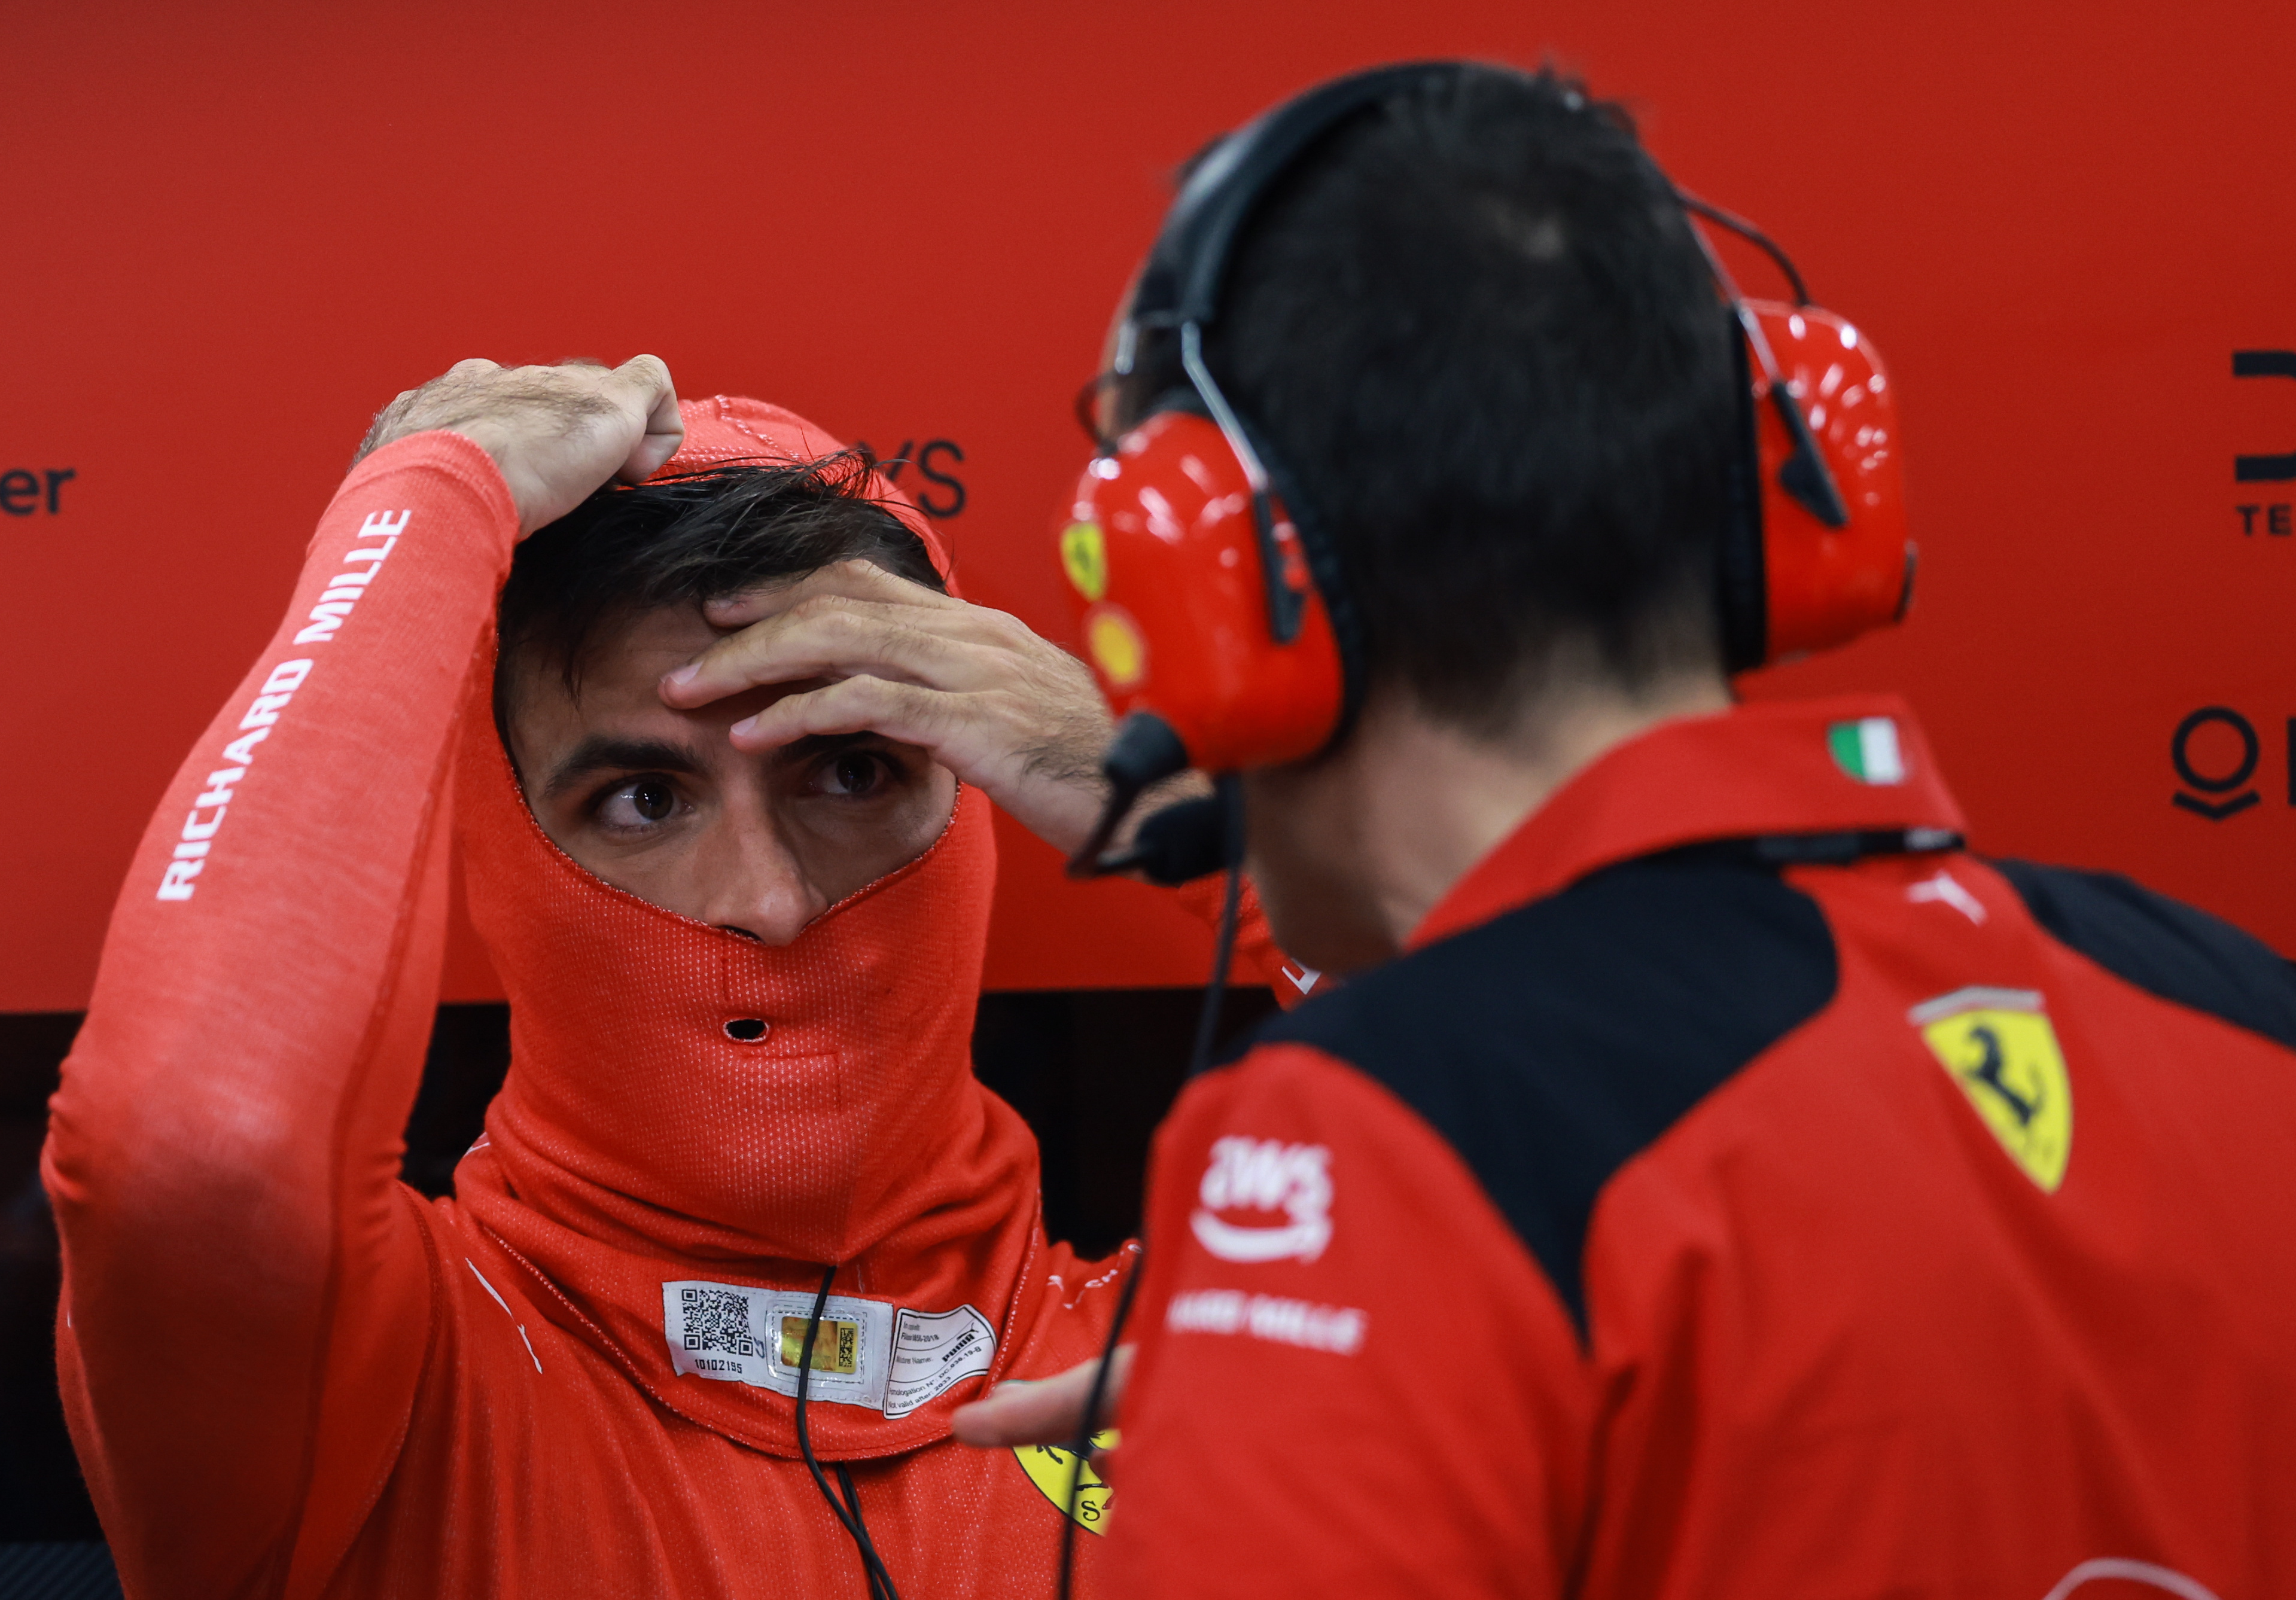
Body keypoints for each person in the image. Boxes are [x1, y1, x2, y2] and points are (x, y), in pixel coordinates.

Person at [943, 62, 2296, 1596]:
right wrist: (1365, 1415)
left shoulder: (1384, 1139)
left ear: (1209, 593)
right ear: (1791, 516)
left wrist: (1328, 1403)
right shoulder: (2244, 1017)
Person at [42, 363, 1229, 1597]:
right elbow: (196, 1150)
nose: (766, 903)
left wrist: (1200, 806)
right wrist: (429, 505)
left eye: (852, 773)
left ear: (974, 799)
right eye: (644, 800)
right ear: (503, 857)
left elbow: (1458, 1157)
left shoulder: (1250, 1349)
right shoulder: (375, 1389)